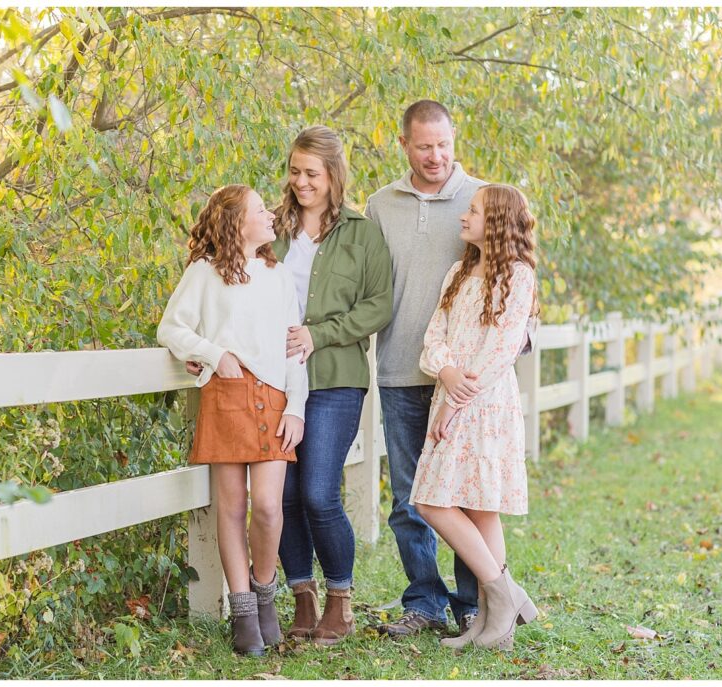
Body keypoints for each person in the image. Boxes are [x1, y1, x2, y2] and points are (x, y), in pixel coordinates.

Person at [156, 185, 308, 657]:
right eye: (261, 209)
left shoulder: (278, 275)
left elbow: (293, 351)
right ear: (237, 222)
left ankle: (265, 597)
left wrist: (298, 407)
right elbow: (171, 327)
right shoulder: (204, 273)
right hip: (225, 394)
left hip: (274, 398)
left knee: (266, 505)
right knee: (231, 508)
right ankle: (243, 616)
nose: (270, 214)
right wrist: (212, 352)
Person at [365, 100, 486, 637]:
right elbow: (370, 289)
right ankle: (425, 603)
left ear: (454, 139)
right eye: (423, 146)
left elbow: (512, 278)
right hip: (397, 370)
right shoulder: (380, 205)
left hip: (459, 381)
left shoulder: (481, 199)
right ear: (404, 145)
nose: (435, 156)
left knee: (461, 495)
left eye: (443, 144)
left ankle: (473, 605)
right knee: (409, 497)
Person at [271, 125, 394, 645]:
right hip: (275, 380)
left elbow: (378, 305)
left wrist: (319, 334)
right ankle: (303, 598)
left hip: (336, 381)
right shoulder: (272, 227)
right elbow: (235, 281)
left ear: (334, 175)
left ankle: (340, 600)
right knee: (286, 494)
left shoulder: (362, 234)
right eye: (296, 172)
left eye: (312, 174)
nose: (302, 182)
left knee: (320, 491)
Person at [413, 184, 541, 651]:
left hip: (484, 404)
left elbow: (502, 348)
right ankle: (500, 610)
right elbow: (434, 337)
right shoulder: (457, 274)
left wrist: (456, 396)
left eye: (473, 211)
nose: (463, 217)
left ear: (498, 222)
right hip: (452, 394)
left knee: (445, 502)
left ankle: (497, 608)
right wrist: (445, 371)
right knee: (451, 501)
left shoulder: (518, 275)